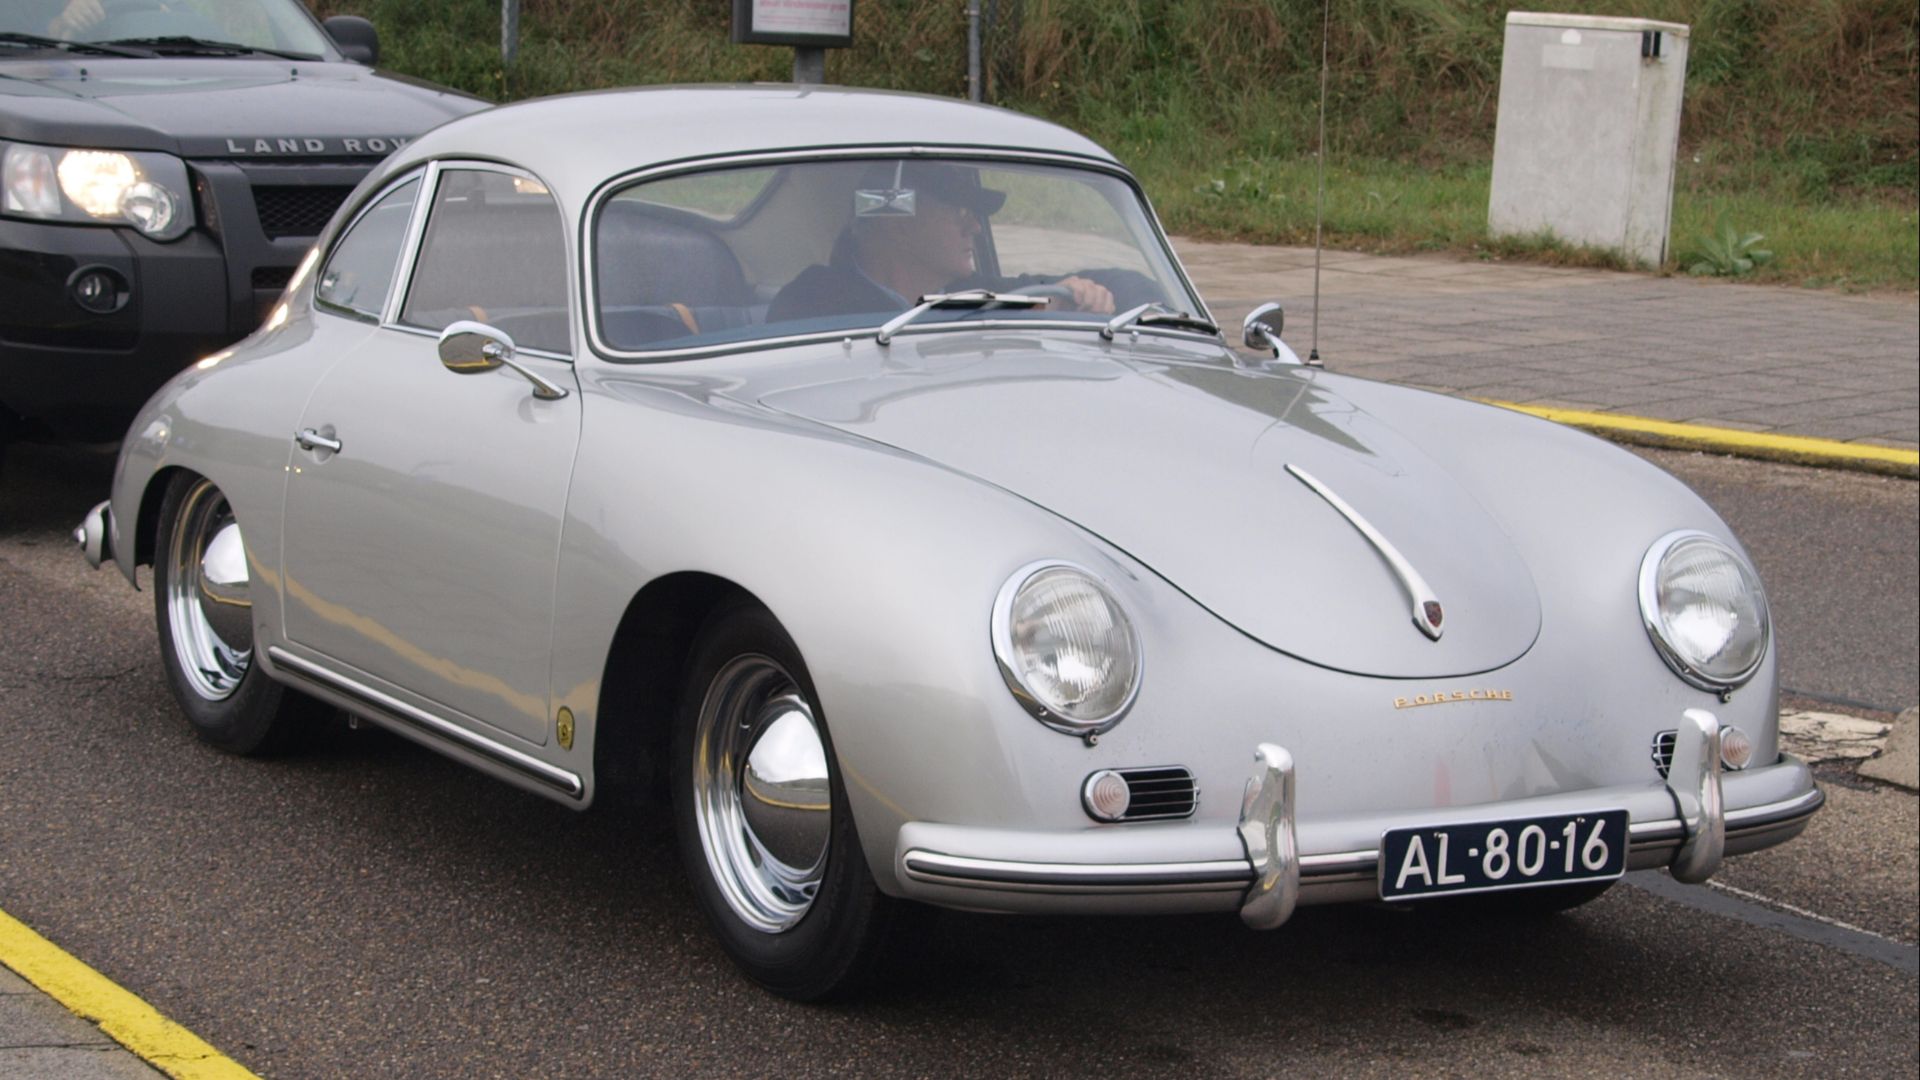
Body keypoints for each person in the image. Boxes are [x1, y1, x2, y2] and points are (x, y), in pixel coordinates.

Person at [766, 162, 1115, 324]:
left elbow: (1032, 296)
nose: (975, 227)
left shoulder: (969, 292)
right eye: (959, 211)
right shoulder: (813, 302)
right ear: (896, 223)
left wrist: (1076, 293)